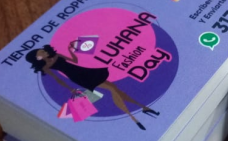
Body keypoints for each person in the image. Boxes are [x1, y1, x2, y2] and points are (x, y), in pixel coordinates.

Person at [26, 43, 158, 130]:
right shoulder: (46, 67)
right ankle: (133, 118)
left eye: (43, 50)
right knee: (112, 89)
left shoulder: (57, 55)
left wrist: (71, 51)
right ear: (37, 58)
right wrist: (70, 89)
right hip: (79, 77)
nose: (44, 52)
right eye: (41, 52)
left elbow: (74, 61)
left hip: (84, 71)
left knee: (116, 89)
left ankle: (143, 107)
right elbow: (58, 79)